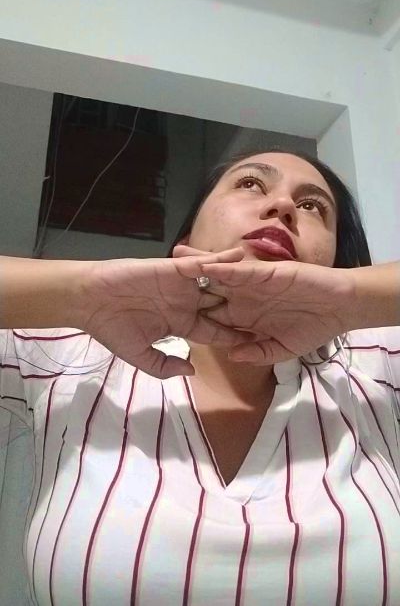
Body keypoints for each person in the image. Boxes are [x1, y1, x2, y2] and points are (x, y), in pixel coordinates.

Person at [0, 146, 399, 606]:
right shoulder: (76, 352)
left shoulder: (370, 365)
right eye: (251, 183)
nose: (283, 206)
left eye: (312, 206)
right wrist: (82, 293)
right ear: (187, 237)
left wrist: (353, 298)